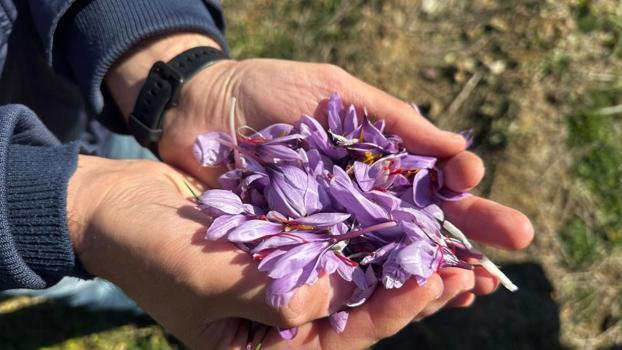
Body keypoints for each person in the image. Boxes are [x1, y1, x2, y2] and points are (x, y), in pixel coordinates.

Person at [0, 1, 534, 348]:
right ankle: (107, 281)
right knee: (102, 263)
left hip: (59, 80)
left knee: (131, 169)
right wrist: (68, 208)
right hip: (31, 206)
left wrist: (171, 69)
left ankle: (123, 271)